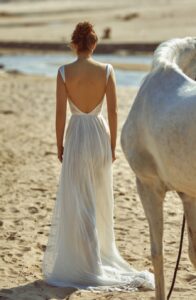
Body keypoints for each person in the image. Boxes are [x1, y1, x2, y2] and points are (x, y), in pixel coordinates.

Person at [42, 21, 154, 292]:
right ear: (94, 44)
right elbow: (114, 112)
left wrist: (59, 144)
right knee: (98, 196)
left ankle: (86, 261)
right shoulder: (106, 71)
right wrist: (112, 145)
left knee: (80, 197)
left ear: (74, 44)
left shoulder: (63, 72)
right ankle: (94, 258)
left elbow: (60, 114)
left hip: (77, 133)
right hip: (98, 134)